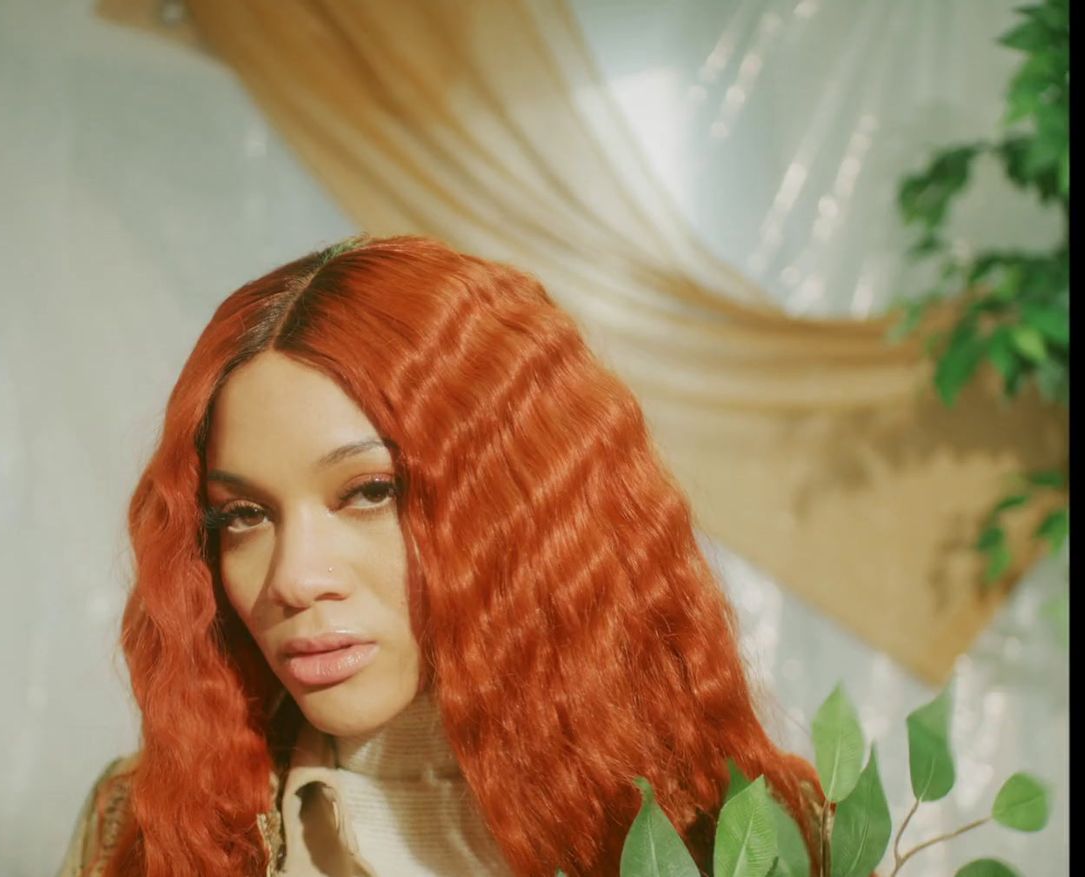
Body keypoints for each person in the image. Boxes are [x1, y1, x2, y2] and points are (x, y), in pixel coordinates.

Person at [57, 235, 825, 877]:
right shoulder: (141, 831)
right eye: (244, 514)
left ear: (522, 501)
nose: (294, 578)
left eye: (368, 492)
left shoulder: (744, 828)